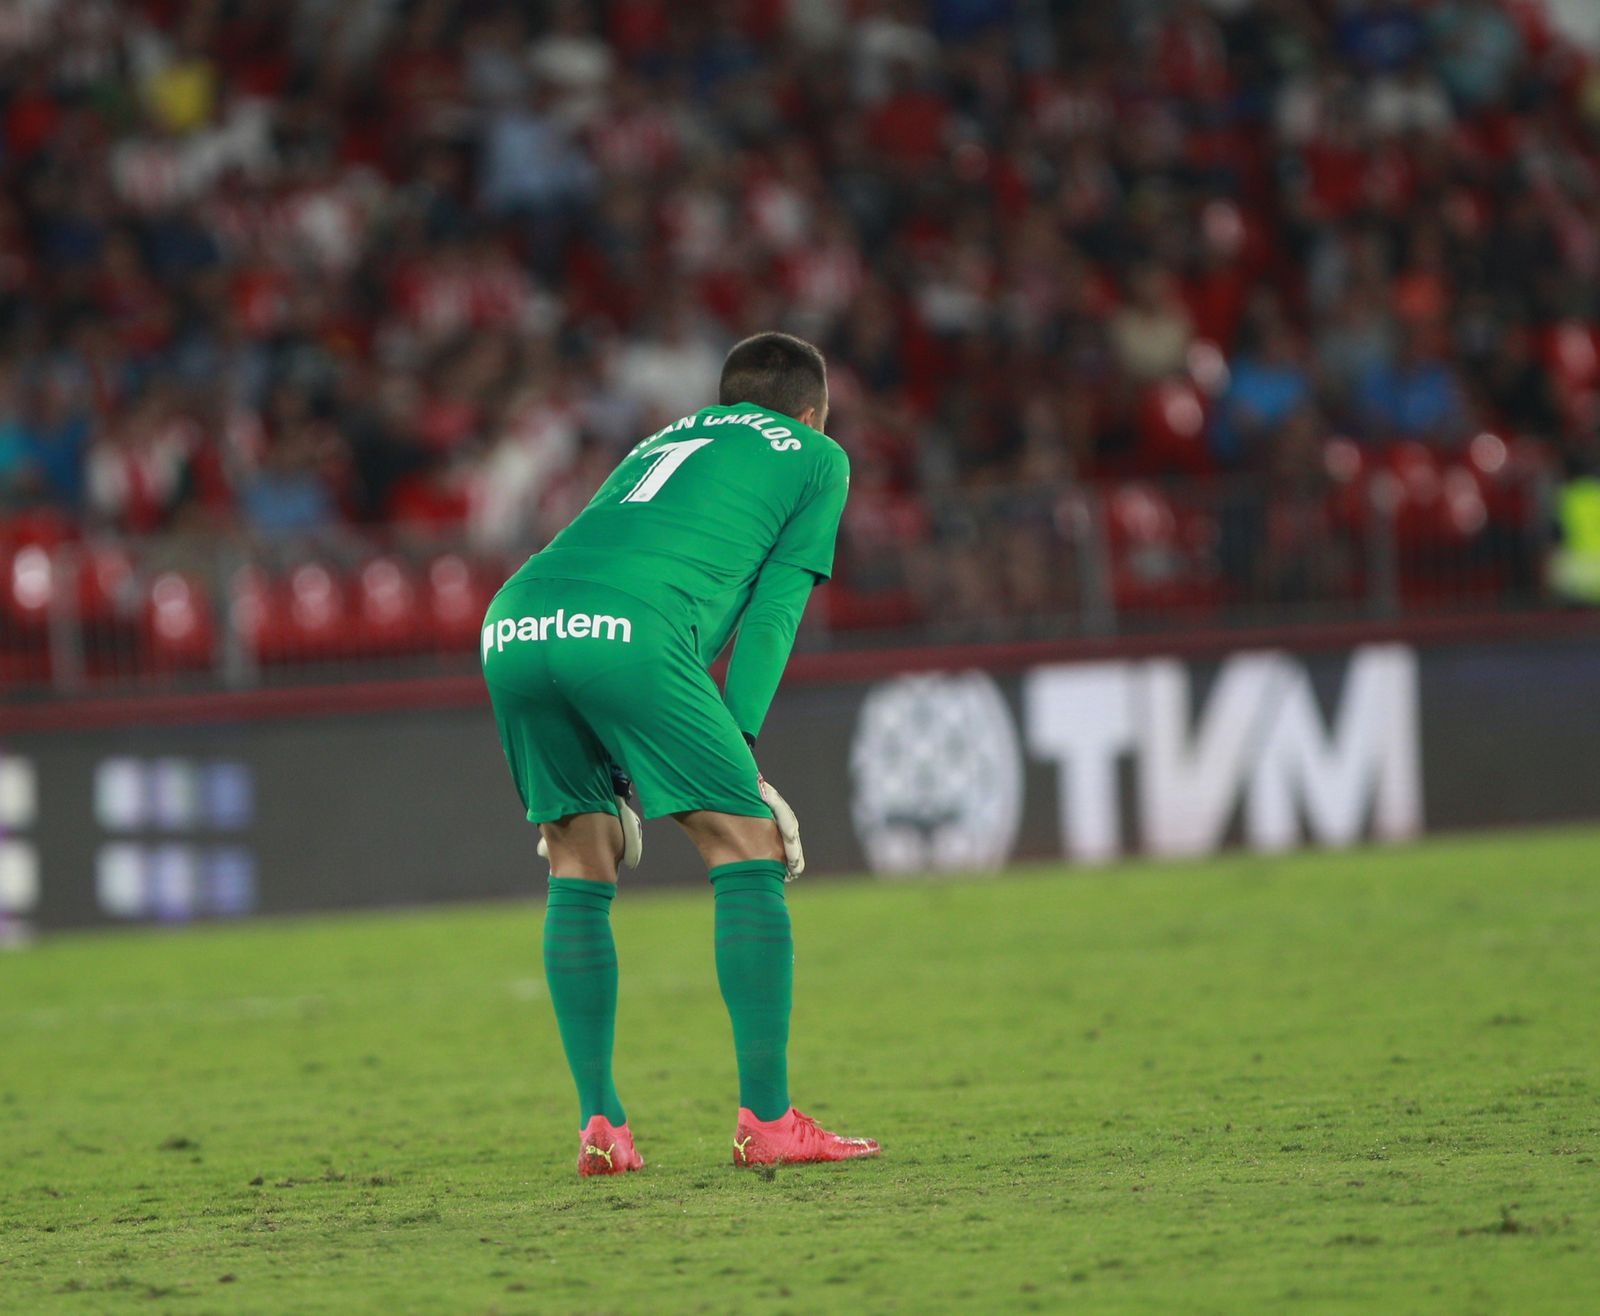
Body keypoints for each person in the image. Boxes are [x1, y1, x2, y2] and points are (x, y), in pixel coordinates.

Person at [480, 331, 879, 1175]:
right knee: (749, 844)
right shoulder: (816, 457)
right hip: (629, 629)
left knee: (578, 860)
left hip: (516, 618)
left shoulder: (660, 439)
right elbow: (772, 615)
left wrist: (621, 765)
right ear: (810, 412)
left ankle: (601, 1126)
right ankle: (767, 1122)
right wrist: (742, 754)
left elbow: (619, 563)